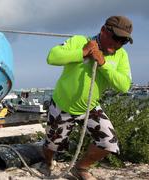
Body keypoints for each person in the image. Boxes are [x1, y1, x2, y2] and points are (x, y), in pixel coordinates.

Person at [42, 16, 133, 179]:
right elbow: (52, 57)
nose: (118, 44)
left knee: (108, 142)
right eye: (116, 38)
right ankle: (47, 161)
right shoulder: (79, 41)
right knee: (52, 145)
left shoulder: (121, 56)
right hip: (62, 105)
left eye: (124, 41)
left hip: (90, 107)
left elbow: (124, 85)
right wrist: (83, 52)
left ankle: (80, 168)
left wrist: (103, 64)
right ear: (104, 31)